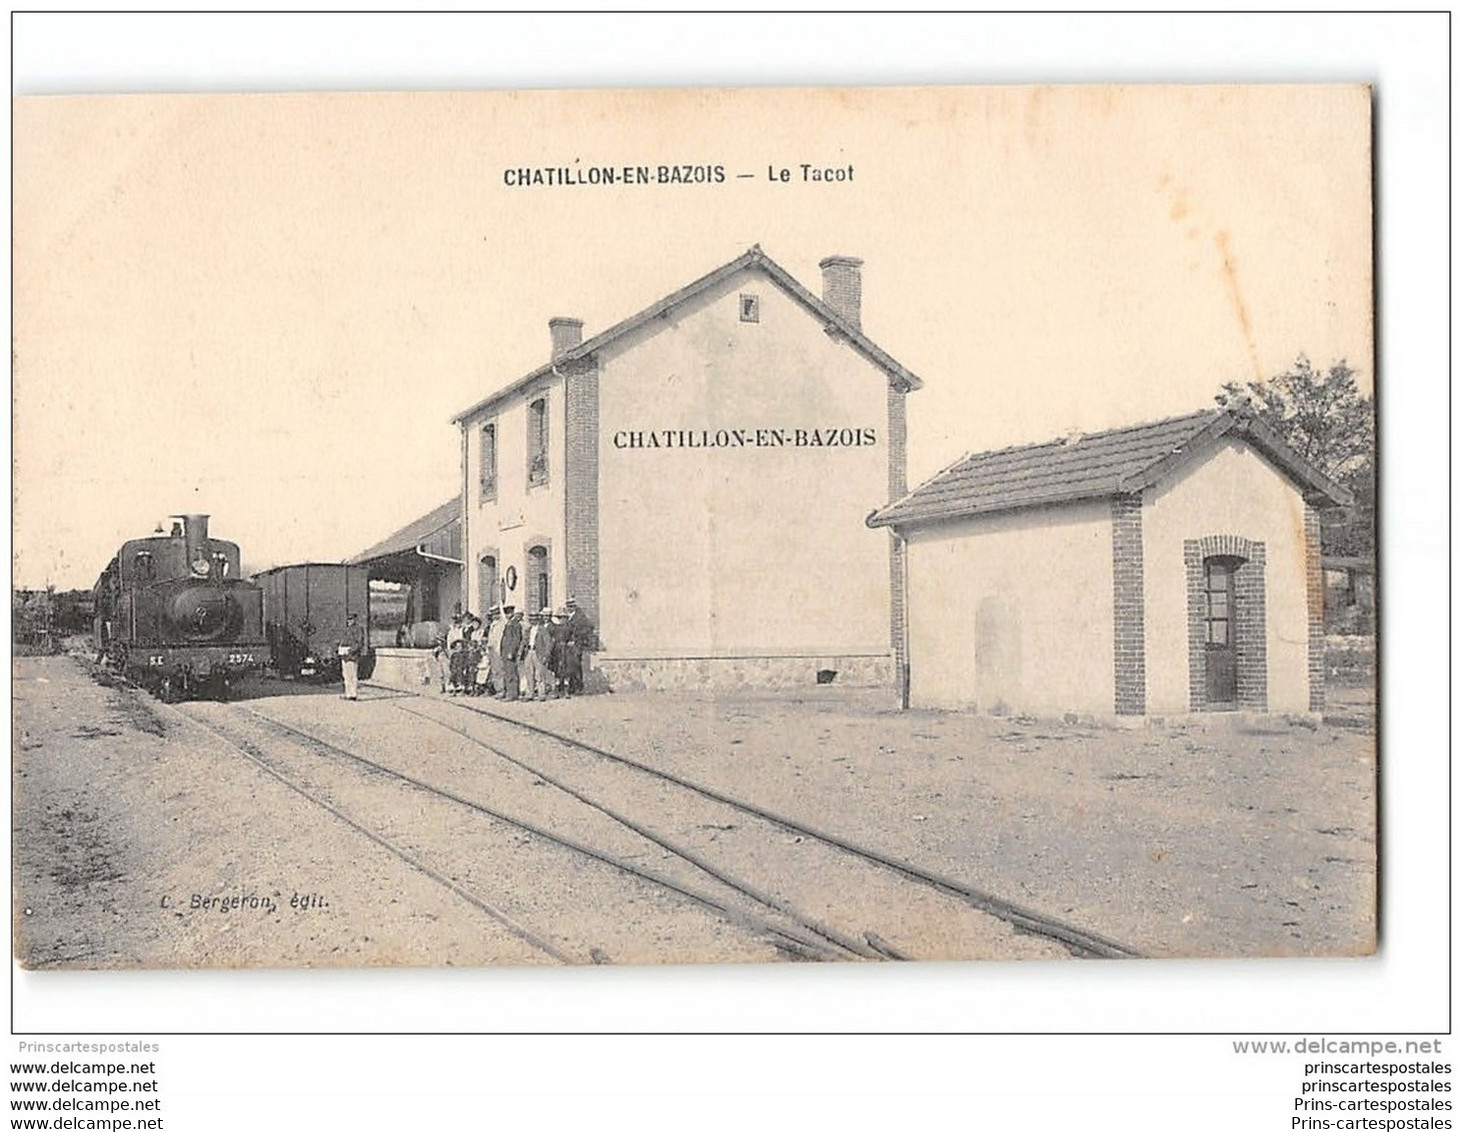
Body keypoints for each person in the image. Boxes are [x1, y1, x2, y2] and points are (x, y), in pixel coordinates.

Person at [564, 597, 596, 695]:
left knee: (576, 666)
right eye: (568, 606)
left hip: (576, 645)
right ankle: (571, 687)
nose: (570, 608)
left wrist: (576, 639)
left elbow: (588, 628)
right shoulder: (566, 617)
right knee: (568, 666)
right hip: (567, 646)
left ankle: (578, 687)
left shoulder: (580, 617)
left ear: (575, 606)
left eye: (571, 606)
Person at [525, 608, 555, 700]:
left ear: (538, 619)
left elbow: (548, 643)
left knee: (539, 674)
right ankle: (530, 693)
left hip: (539, 653)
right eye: (531, 619)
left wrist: (546, 655)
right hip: (529, 652)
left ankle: (541, 694)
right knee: (529, 673)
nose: (532, 621)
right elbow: (524, 642)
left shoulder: (542, 630)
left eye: (534, 619)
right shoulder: (528, 629)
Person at [498, 606, 524, 701]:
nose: (508, 615)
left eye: (510, 613)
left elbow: (516, 640)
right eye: (506, 613)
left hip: (510, 652)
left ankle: (512, 694)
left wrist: (511, 652)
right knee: (506, 672)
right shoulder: (508, 624)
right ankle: (506, 691)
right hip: (505, 651)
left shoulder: (516, 625)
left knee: (511, 673)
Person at [340, 612, 367, 701]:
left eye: (351, 619)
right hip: (345, 655)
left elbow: (359, 643)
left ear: (355, 620)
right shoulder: (348, 629)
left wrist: (351, 650)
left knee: (352, 675)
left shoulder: (359, 629)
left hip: (352, 655)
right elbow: (344, 641)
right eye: (348, 619)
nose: (349, 621)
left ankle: (353, 694)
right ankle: (348, 694)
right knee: (346, 675)